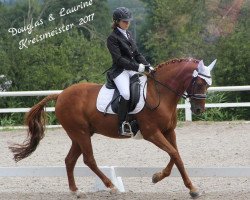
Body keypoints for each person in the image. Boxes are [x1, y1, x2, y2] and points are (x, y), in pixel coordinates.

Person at [106, 7, 153, 136]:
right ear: (117, 21)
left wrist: (148, 65)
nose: (127, 23)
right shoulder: (112, 38)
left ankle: (139, 120)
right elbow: (119, 59)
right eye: (124, 21)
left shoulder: (129, 34)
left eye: (128, 21)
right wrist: (138, 68)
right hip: (120, 71)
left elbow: (137, 54)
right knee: (126, 94)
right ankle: (121, 124)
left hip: (132, 69)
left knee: (146, 87)